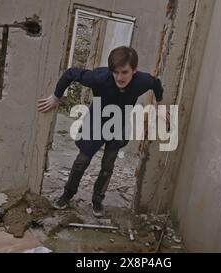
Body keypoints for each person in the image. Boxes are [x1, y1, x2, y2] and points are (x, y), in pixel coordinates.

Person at [37, 46, 164, 217]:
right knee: (82, 161)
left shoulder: (143, 81)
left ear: (134, 70)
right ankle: (67, 195)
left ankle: (97, 201)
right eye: (115, 72)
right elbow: (71, 73)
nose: (120, 77)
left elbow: (156, 83)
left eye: (125, 72)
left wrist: (161, 105)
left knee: (108, 165)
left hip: (119, 125)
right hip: (96, 122)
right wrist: (56, 96)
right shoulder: (98, 77)